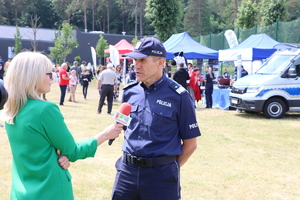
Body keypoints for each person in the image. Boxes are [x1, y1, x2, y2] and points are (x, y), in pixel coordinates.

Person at [2, 51, 123, 200]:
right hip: (50, 191)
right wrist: (105, 135)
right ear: (33, 76)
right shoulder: (44, 110)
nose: (53, 78)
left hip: (20, 191)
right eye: (49, 73)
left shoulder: (11, 108)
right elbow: (73, 151)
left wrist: (57, 155)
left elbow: (34, 149)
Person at [111, 37, 201, 200]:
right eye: (135, 60)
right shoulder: (130, 91)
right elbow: (124, 127)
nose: (136, 65)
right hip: (127, 173)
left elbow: (190, 144)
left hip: (161, 177)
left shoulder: (179, 96)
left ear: (160, 63)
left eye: (143, 60)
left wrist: (165, 168)